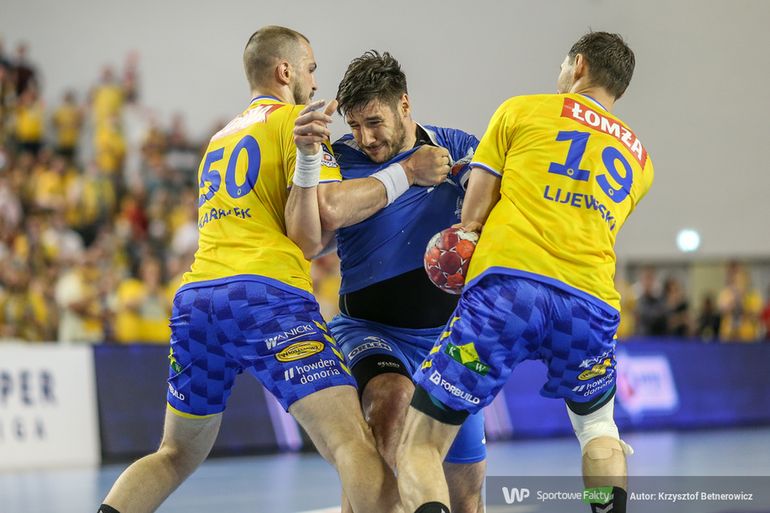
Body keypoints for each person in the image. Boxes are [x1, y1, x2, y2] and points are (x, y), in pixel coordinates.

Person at [97, 26, 401, 513]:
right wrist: (403, 176)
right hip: (265, 296)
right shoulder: (298, 123)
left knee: (174, 453)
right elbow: (319, 222)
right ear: (285, 71)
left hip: (197, 300)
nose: (314, 81)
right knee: (350, 443)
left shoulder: (219, 139)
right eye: (310, 69)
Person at [395, 31, 654, 513]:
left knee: (420, 445)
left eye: (563, 65)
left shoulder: (522, 110)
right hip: (592, 304)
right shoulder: (641, 159)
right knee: (599, 430)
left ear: (579, 65)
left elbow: (472, 216)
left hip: (510, 291)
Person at [323, 50, 486, 513]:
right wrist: (409, 173)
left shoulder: (454, 144)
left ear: (405, 105)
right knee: (390, 400)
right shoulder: (339, 158)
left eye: (374, 122)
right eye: (355, 125)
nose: (365, 137)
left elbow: (495, 199)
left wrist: (475, 189)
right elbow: (330, 211)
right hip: (369, 330)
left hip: (447, 340)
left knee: (466, 494)